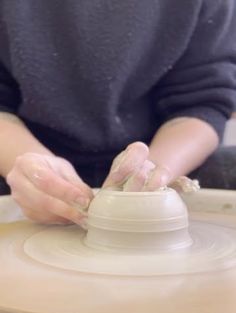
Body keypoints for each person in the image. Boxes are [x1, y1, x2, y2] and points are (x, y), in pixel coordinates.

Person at [0, 0, 236, 226]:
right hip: (28, 158)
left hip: (159, 155)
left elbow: (203, 102)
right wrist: (33, 171)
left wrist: (152, 176)